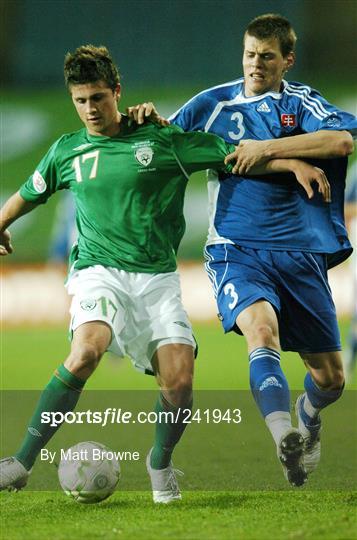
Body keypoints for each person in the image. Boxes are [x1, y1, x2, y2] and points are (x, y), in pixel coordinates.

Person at [0, 45, 326, 501]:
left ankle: (159, 464)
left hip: (156, 279)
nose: (90, 109)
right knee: (86, 352)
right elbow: (29, 192)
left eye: (98, 97)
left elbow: (236, 156)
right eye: (80, 100)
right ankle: (20, 462)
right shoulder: (67, 151)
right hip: (99, 272)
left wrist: (290, 161)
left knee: (180, 383)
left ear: (117, 92)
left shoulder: (162, 141)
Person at [129, 13, 356, 487]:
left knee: (332, 379)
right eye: (250, 54)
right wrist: (147, 119)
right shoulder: (213, 103)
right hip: (237, 247)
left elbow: (341, 140)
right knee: (261, 330)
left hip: (300, 252)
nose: (256, 64)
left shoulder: (302, 104)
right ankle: (282, 437)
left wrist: (269, 148)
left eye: (267, 57)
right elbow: (170, 138)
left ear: (286, 60)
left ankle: (306, 416)